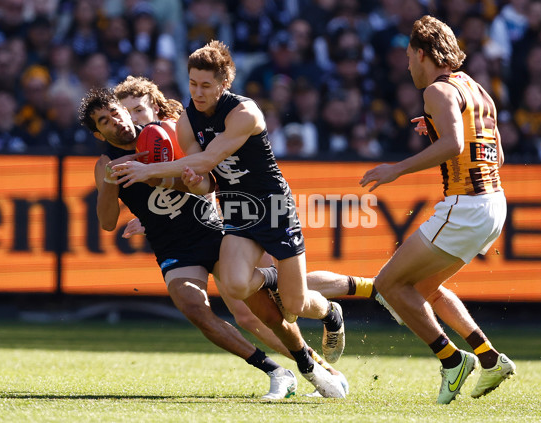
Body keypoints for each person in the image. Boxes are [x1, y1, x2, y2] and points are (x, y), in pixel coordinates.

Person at [78, 87, 346, 399]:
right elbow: (108, 222)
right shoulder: (105, 164)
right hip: (172, 247)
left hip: (210, 229)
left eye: (115, 113)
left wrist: (158, 176)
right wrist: (110, 185)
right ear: (99, 134)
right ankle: (275, 371)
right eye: (105, 121)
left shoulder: (164, 133)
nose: (116, 121)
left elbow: (207, 181)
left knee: (270, 314)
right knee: (194, 308)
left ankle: (310, 366)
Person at [111, 41, 346, 365]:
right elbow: (204, 178)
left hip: (270, 204)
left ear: (224, 84)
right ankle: (301, 362)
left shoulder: (242, 113)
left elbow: (208, 160)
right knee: (241, 291)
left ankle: (338, 308)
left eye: (206, 85)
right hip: (234, 207)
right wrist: (187, 188)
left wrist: (150, 172)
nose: (198, 92)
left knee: (293, 303)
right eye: (192, 84)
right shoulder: (185, 123)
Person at [360, 16, 516, 405]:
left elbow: (454, 146)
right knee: (424, 289)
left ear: (424, 54)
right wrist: (438, 130)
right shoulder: (477, 88)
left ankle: (451, 360)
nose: (408, 64)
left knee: (388, 285)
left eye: (410, 56)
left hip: (467, 205)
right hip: (494, 203)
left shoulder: (437, 91)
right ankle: (489, 358)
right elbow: (496, 153)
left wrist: (396, 169)